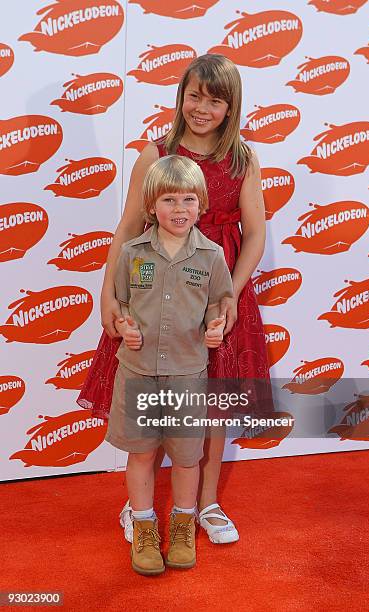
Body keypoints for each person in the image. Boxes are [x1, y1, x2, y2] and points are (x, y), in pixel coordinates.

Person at [78, 53, 270, 544]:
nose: (201, 108)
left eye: (214, 100)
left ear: (231, 107)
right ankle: (139, 504)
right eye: (194, 96)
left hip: (215, 294)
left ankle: (205, 502)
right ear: (180, 96)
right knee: (151, 392)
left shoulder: (242, 159)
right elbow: (127, 228)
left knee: (209, 404)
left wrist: (232, 297)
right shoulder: (157, 152)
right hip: (155, 293)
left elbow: (255, 235)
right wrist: (108, 295)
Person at [109, 154, 233, 575]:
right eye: (168, 200)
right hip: (138, 373)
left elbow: (221, 302)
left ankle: (182, 523)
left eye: (187, 200)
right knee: (142, 454)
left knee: (184, 457)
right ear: (151, 206)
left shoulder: (212, 255)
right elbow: (122, 302)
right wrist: (124, 324)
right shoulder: (131, 252)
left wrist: (217, 325)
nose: (179, 210)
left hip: (187, 375)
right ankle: (144, 526)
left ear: (201, 204)